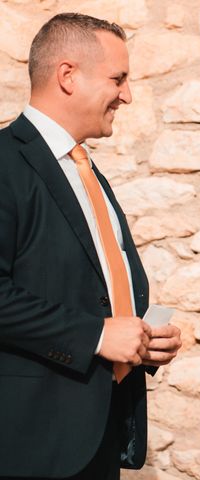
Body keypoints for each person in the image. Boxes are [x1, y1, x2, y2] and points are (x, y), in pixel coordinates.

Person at [0, 13, 181, 480]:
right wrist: (96, 335)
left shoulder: (85, 170)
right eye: (118, 79)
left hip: (98, 434)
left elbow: (93, 287)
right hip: (29, 445)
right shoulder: (4, 164)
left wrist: (143, 340)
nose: (127, 94)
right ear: (67, 76)